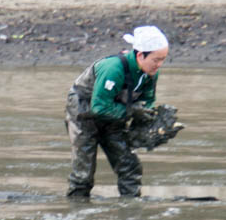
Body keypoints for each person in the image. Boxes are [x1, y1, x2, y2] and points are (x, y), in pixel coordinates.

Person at [64, 25, 169, 198]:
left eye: (163, 59)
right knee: (83, 175)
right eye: (156, 60)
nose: (159, 65)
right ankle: (77, 207)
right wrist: (132, 112)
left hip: (115, 116)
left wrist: (147, 122)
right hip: (83, 114)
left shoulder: (150, 74)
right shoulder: (113, 68)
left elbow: (148, 101)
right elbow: (99, 108)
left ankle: (131, 206)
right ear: (140, 55)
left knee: (130, 167)